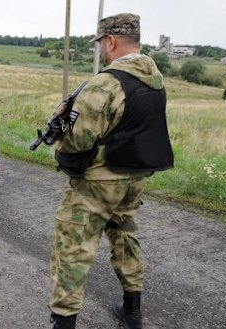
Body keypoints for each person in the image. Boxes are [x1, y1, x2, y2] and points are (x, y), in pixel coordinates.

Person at [48, 13, 174, 329]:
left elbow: (77, 142)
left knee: (72, 249)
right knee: (125, 239)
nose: (102, 50)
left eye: (102, 44)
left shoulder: (105, 83)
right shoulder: (155, 80)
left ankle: (63, 323)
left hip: (96, 184)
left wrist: (59, 149)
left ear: (112, 40)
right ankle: (132, 313)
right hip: (133, 180)